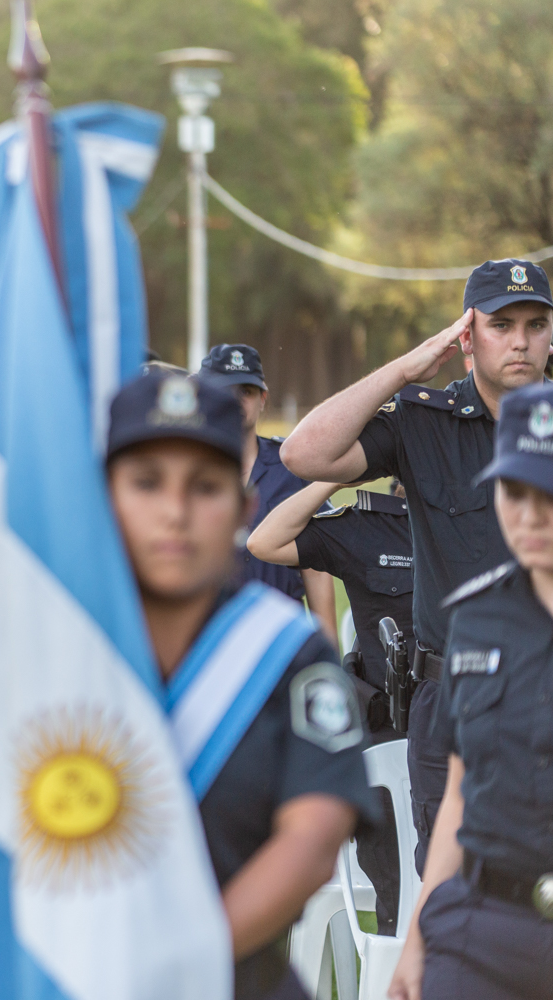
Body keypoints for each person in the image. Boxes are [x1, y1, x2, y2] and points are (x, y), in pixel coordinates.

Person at [0, 372, 376, 1000]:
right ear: (106, 497)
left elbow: (314, 836)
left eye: (205, 487)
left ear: (244, 504)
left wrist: (183, 961)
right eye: (146, 483)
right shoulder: (46, 645)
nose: (175, 512)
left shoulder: (282, 651)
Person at [281, 258, 553, 866]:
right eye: (501, 324)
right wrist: (406, 368)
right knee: (450, 889)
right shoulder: (424, 421)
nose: (520, 341)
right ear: (467, 335)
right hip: (449, 699)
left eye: (536, 324)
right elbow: (303, 453)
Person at [387, 381, 553, 1000]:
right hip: (480, 924)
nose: (530, 514)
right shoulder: (474, 619)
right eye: (515, 491)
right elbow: (459, 796)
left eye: (548, 492)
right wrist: (418, 940)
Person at [247, 477, 413, 932]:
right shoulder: (369, 526)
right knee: (400, 908)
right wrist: (336, 475)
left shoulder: (495, 517)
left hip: (475, 732)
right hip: (390, 734)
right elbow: (265, 540)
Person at [198, 344, 337, 640]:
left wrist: (328, 654)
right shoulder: (186, 472)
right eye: (225, 390)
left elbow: (317, 568)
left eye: (246, 391)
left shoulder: (295, 468)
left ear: (263, 399)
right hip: (207, 642)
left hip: (280, 642)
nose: (236, 401)